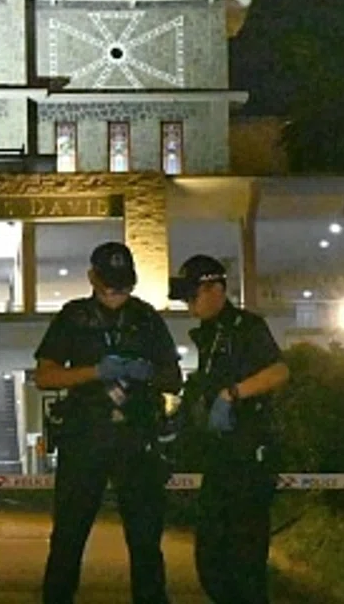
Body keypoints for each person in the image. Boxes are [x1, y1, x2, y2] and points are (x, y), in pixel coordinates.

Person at [34, 241, 182, 604]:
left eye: (123, 285)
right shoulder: (73, 317)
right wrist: (93, 373)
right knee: (69, 535)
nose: (117, 293)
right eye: (110, 284)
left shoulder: (146, 318)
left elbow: (172, 376)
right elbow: (46, 375)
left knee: (146, 539)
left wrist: (148, 375)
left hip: (137, 437)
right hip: (85, 436)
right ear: (92, 278)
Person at [170, 254, 290, 604]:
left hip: (250, 457)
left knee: (245, 562)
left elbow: (279, 371)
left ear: (214, 289)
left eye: (193, 296)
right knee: (211, 559)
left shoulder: (246, 327)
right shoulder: (208, 336)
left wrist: (233, 394)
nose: (190, 307)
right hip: (221, 459)